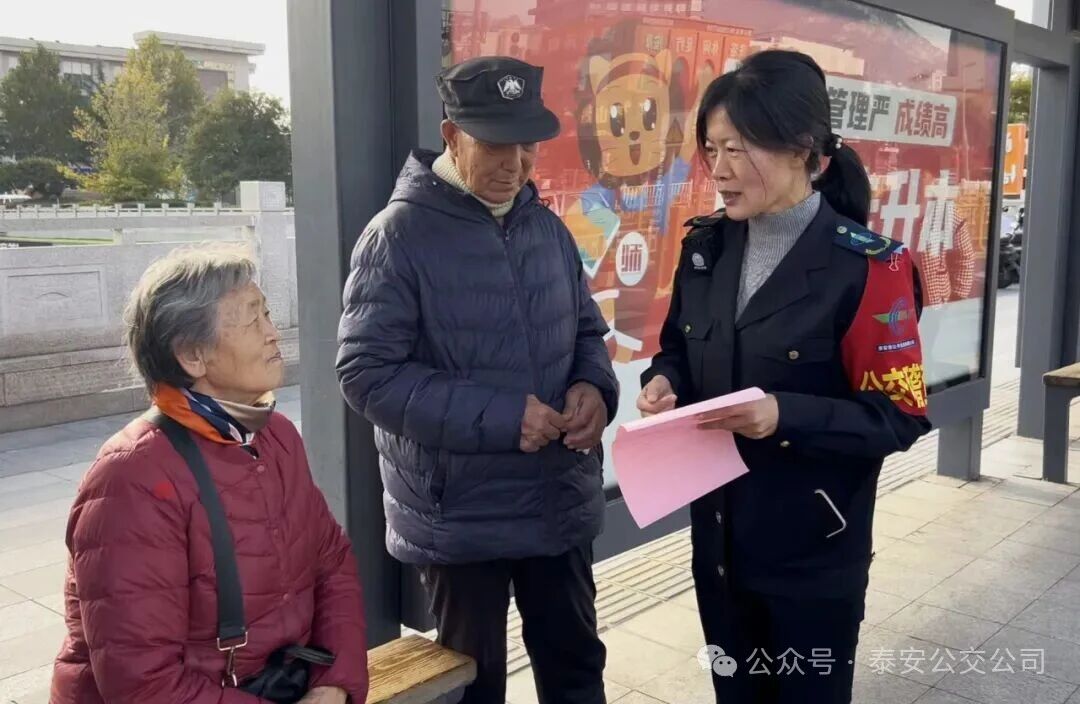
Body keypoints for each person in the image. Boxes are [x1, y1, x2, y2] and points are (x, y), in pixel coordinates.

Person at [637, 50, 932, 704]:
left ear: (802, 150)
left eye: (737, 149)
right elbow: (677, 349)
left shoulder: (870, 268)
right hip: (718, 546)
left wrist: (784, 414)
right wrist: (665, 381)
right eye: (711, 150)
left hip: (814, 555)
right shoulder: (705, 248)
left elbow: (901, 417)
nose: (719, 169)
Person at [336, 56, 618, 704]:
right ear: (452, 135)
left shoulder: (547, 228)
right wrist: (502, 416)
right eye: (495, 145)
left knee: (577, 669)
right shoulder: (397, 236)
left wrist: (594, 390)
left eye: (528, 146)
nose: (515, 165)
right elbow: (365, 372)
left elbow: (586, 332)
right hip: (460, 518)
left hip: (556, 501)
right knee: (470, 686)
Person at [51, 248, 368, 704]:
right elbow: (144, 684)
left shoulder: (275, 435)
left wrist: (333, 684)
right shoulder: (132, 478)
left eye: (267, 313)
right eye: (252, 320)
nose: (274, 333)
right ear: (192, 355)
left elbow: (332, 564)